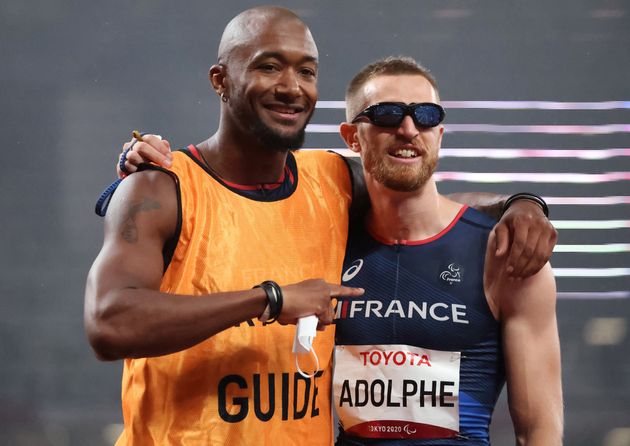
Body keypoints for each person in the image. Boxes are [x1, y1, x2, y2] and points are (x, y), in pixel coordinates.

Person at [86, 6, 557, 446]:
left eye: (306, 71)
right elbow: (108, 323)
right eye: (269, 66)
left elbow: (417, 194)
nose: (291, 86)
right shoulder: (160, 189)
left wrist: (520, 203)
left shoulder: (329, 179)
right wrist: (270, 299)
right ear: (220, 79)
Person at [333, 57, 563, 445]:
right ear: (352, 136)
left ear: (439, 132)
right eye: (388, 115)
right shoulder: (327, 243)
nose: (408, 129)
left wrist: (525, 201)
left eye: (425, 115)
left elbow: (539, 431)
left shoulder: (505, 255)